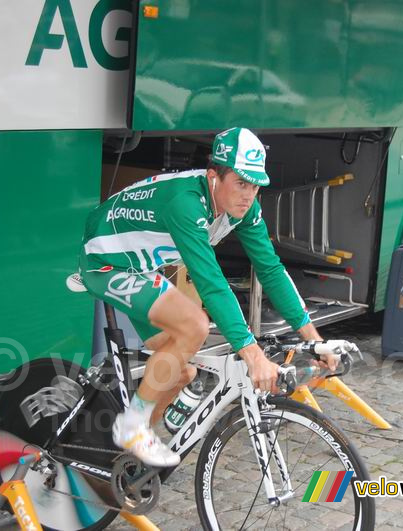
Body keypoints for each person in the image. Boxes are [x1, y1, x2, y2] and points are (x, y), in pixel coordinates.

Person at [76, 127, 334, 467]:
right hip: (104, 263)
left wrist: (315, 341)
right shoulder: (185, 203)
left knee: (179, 371)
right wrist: (253, 355)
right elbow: (211, 283)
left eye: (255, 185)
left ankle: (124, 457)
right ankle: (132, 425)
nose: (248, 195)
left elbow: (270, 269)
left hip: (141, 267)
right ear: (214, 177)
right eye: (241, 183)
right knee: (195, 326)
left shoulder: (244, 207)